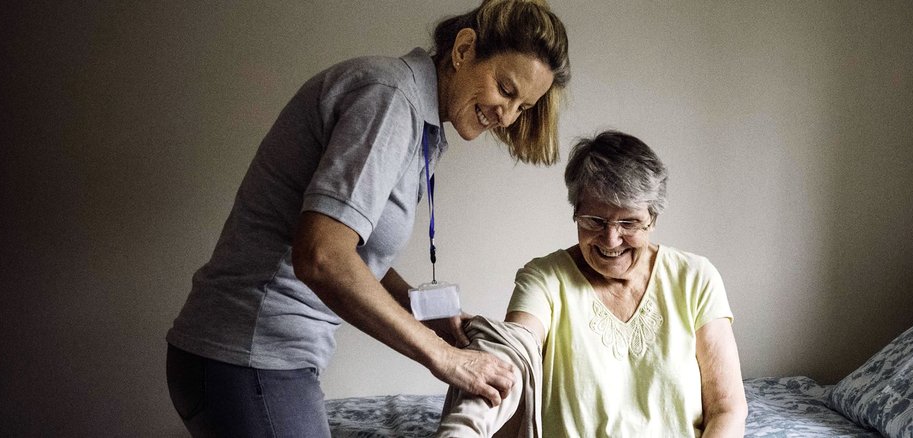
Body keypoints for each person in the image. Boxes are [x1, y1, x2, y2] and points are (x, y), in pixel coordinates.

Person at [164, 1, 570, 435]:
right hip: (249, 354)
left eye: (523, 107)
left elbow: (347, 249)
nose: (507, 116)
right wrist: (442, 355)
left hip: (248, 359)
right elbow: (321, 256)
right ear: (464, 49)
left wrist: (421, 309)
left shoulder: (415, 119)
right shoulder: (391, 101)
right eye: (506, 90)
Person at [505, 131, 748, 437]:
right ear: (576, 213)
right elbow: (514, 355)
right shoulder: (544, 278)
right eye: (594, 220)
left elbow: (727, 409)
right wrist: (490, 346)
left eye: (629, 223)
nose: (610, 239)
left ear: (653, 218)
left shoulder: (696, 278)